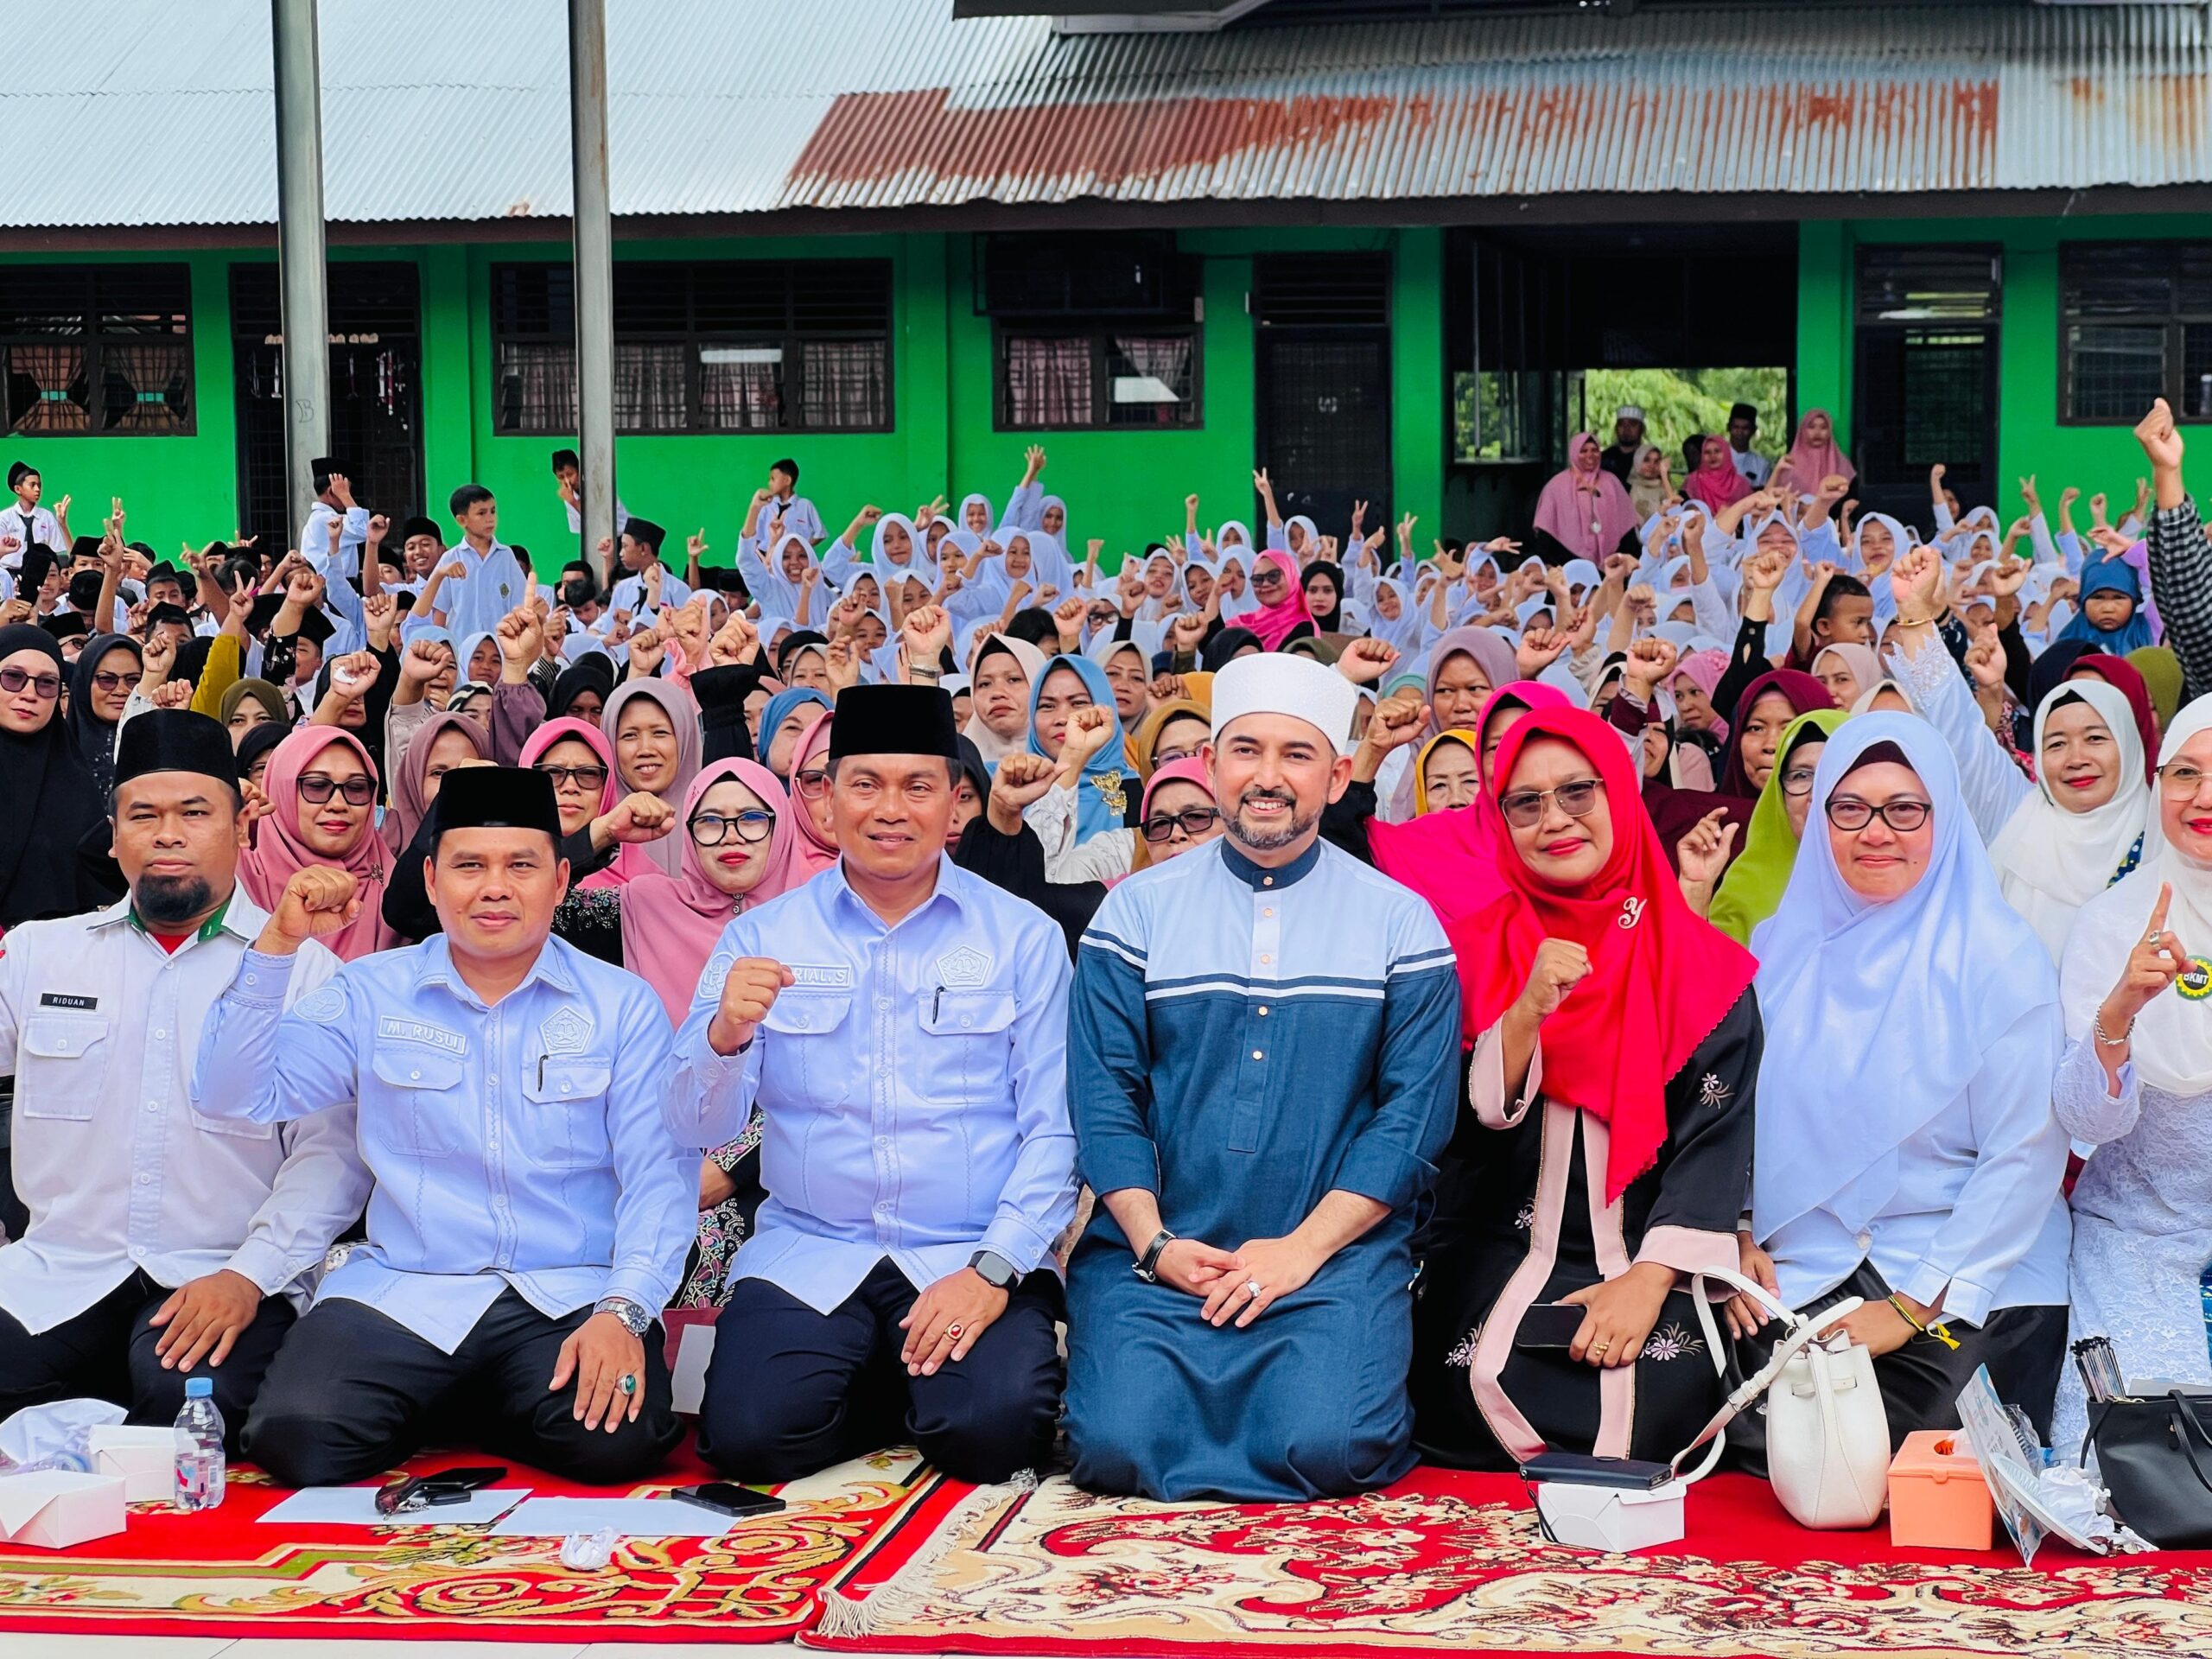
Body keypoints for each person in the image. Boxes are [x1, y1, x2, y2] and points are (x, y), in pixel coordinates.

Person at [193, 766, 693, 1487]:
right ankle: (478, 1397)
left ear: (559, 881)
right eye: (470, 866)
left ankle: (461, 1399)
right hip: (409, 1291)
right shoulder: (370, 990)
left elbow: (659, 1178)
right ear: (430, 880)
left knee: (614, 1444)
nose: (495, 888)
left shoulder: (622, 1005)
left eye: (521, 866)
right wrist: (279, 943)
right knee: (297, 1438)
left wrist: (624, 1310)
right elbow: (232, 1093)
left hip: (566, 1294)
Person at [1063, 654, 1459, 1501]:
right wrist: (1154, 1241)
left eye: (1296, 754)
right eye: (1246, 751)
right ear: (1211, 763)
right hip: (1162, 1258)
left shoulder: (1399, 923)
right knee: (1115, 1448)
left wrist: (1297, 1253)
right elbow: (1104, 1099)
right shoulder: (1135, 912)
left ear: (1339, 773)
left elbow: (1412, 1121)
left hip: (1326, 1260)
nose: (1267, 777)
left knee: (1328, 1443)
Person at [670, 683, 1077, 1484]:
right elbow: (690, 1122)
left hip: (967, 1249)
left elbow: (1056, 1128)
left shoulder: (1023, 938)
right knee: (749, 1441)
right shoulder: (761, 936)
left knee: (993, 1436)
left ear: (956, 803)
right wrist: (724, 1036)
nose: (891, 809)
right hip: (813, 1250)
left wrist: (995, 1271)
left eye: (918, 786)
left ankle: (939, 1395)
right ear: (823, 799)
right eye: (866, 784)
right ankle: (900, 1387)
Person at [0, 713, 365, 1447]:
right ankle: (102, 1433)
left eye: (195, 813)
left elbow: (331, 1157)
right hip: (62, 1267)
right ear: (113, 835)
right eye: (145, 815)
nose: (168, 834)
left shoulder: (305, 970)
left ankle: (75, 1429)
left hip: (220, 1273)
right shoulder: (43, 954)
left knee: (187, 1404)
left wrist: (250, 1276)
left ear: (241, 829)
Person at [1412, 704, 1759, 1468]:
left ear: (1620, 797)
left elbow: (1717, 1136)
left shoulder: (1704, 967)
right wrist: (1526, 1012)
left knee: (1664, 1391)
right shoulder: (1470, 948)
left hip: (1646, 1255)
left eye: (1578, 792)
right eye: (1525, 803)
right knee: (1461, 1375)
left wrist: (1648, 1279)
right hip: (1497, 1247)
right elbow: (1450, 1131)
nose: (1555, 820)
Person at [1738, 715, 2071, 1455]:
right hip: (1812, 1253)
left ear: (1943, 818)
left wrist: (1916, 1304)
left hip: (1965, 1259)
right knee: (1722, 1395)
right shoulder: (1780, 951)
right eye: (1849, 808)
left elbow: (2024, 1154)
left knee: (1906, 1441)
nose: (1875, 832)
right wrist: (1740, 1221)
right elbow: (1737, 1110)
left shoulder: (2000, 958)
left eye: (1905, 809)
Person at [2050, 696, 2212, 1457]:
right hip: (2143, 1229)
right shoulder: (2113, 923)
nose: (2203, 797)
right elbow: (2085, 1124)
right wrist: (2120, 1012)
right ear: (2157, 784)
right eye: (2185, 773)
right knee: (2151, 1460)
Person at [1707, 709, 1847, 945]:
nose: (1816, 793)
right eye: (1801, 775)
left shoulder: (1894, 886)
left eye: (1834, 773)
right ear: (1779, 792)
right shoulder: (1745, 891)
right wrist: (1695, 890)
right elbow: (1704, 977)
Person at [1533, 434, 1640, 564]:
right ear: (1573, 453)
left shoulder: (1611, 482)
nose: (1590, 455)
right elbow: (1546, 528)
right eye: (1583, 451)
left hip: (1611, 564)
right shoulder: (1556, 486)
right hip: (1567, 564)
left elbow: (1626, 525)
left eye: (1595, 450)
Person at [1778, 407, 1854, 493]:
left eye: (1823, 428)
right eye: (1811, 427)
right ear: (1803, 431)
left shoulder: (1842, 464)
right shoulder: (1789, 464)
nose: (1817, 432)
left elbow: (1851, 496)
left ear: (1829, 431)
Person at [1683, 434, 1752, 511]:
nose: (1712, 456)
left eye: (1717, 451)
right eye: (1707, 452)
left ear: (1726, 452)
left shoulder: (1741, 484)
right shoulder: (1694, 480)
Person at [1726, 403, 1770, 488]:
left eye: (1745, 428)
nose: (1740, 432)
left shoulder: (1762, 465)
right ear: (1728, 428)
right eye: (1736, 427)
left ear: (1753, 430)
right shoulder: (1716, 459)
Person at [1599, 405, 1646, 483]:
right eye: (1622, 424)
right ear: (1616, 429)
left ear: (1641, 429)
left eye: (1633, 424)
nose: (1626, 428)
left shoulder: (1649, 458)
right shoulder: (1605, 457)